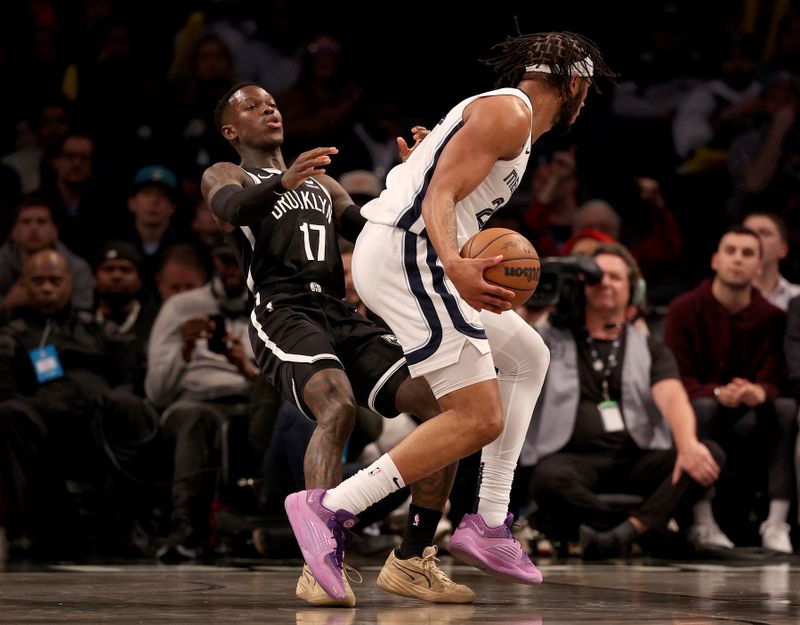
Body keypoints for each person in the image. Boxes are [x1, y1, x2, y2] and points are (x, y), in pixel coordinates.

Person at [283, 31, 616, 601]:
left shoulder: (508, 118)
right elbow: (438, 194)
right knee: (477, 416)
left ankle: (489, 520)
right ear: (577, 85)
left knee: (528, 353)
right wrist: (455, 265)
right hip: (414, 254)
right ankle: (334, 509)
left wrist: (429, 175)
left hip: (414, 250)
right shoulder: (511, 111)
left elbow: (440, 184)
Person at [201, 82, 471, 606]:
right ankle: (320, 562)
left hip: (337, 310)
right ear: (232, 131)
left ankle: (413, 557)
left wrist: (419, 177)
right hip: (282, 309)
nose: (269, 109)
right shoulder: (227, 172)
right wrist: (283, 181)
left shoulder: (322, 183)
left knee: (447, 411)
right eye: (253, 106)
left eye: (272, 103)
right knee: (336, 405)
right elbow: (233, 209)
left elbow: (372, 228)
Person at [519, 244, 724, 559]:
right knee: (547, 479)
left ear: (633, 290)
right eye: (596, 277)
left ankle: (619, 535)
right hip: (572, 459)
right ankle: (645, 530)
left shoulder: (649, 347)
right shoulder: (550, 337)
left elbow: (672, 396)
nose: (605, 283)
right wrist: (531, 313)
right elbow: (512, 361)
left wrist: (687, 445)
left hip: (636, 458)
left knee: (707, 454)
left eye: (615, 277)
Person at [664, 226, 796, 552]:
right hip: (702, 411)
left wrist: (759, 391)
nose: (738, 259)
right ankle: (703, 521)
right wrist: (719, 393)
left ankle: (777, 523)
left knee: (786, 408)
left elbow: (778, 376)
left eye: (748, 253)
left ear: (759, 267)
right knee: (701, 407)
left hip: (753, 416)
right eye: (731, 251)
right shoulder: (684, 309)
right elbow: (676, 380)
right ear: (715, 260)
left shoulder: (773, 316)